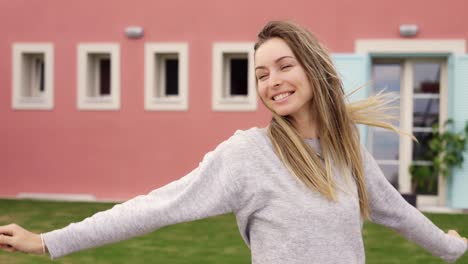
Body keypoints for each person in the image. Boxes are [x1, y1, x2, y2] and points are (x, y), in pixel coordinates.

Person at [1, 20, 467, 263]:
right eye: (261, 74)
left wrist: (450, 248)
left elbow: (398, 213)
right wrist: (49, 241)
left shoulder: (348, 151)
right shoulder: (248, 155)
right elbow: (155, 206)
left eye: (284, 66)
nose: (272, 81)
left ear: (314, 67)